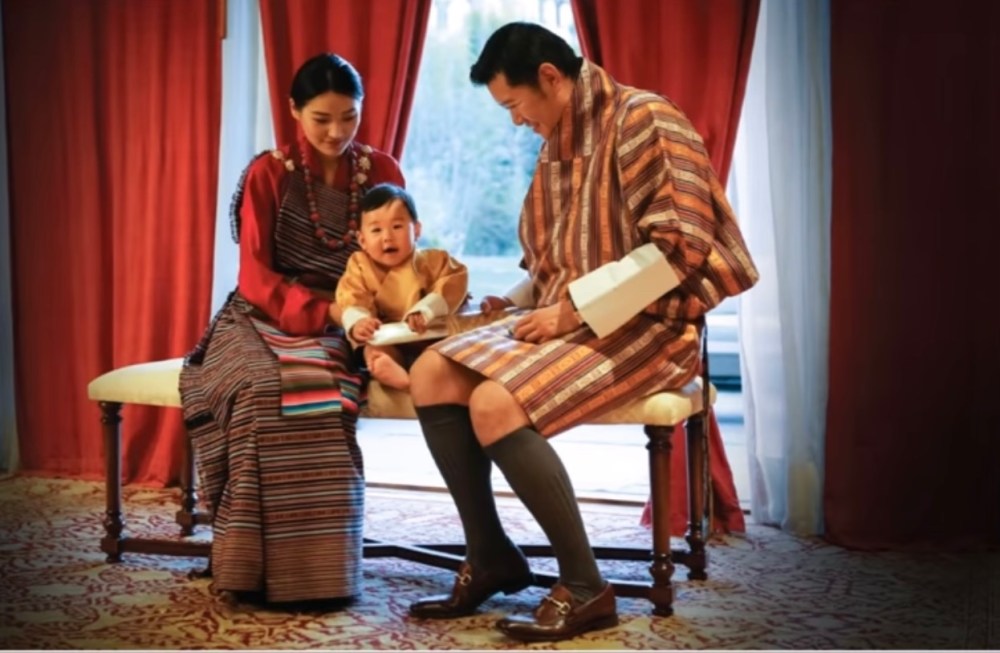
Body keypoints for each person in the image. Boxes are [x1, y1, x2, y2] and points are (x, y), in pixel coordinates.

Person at [405, 22, 759, 642]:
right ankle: (490, 554)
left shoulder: (644, 118)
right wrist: (516, 299)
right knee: (430, 371)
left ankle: (586, 585)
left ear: (550, 77)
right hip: (576, 317)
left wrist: (569, 312)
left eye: (515, 105)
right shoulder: (560, 141)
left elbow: (679, 249)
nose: (516, 121)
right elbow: (557, 263)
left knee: (493, 402)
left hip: (654, 325)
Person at [178, 53, 405, 604]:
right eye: (322, 118)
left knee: (319, 392)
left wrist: (365, 313)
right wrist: (327, 312)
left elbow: (399, 257)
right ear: (294, 111)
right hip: (260, 315)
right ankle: (248, 565)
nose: (336, 132)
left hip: (348, 319)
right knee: (262, 387)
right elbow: (256, 276)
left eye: (349, 117)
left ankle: (319, 571)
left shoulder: (382, 171)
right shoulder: (269, 172)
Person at [336, 182, 469, 391]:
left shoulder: (434, 261)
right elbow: (352, 296)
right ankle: (401, 379)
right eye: (376, 230)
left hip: (430, 335)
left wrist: (426, 310)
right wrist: (359, 321)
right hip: (388, 337)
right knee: (374, 351)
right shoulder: (359, 265)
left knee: (448, 354)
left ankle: (422, 382)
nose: (387, 237)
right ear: (362, 240)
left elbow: (453, 281)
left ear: (416, 230)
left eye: (397, 227)